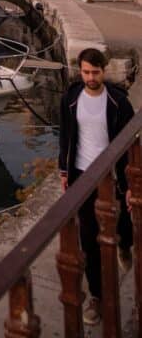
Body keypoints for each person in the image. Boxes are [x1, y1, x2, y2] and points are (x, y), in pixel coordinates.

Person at [59, 48, 134, 326]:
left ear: (104, 70)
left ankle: (125, 245)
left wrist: (129, 183)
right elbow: (65, 136)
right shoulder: (70, 98)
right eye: (86, 72)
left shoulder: (118, 102)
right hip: (82, 175)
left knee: (124, 224)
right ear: (81, 71)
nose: (90, 77)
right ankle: (97, 297)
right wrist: (64, 170)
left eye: (95, 72)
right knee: (88, 239)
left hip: (112, 175)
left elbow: (130, 144)